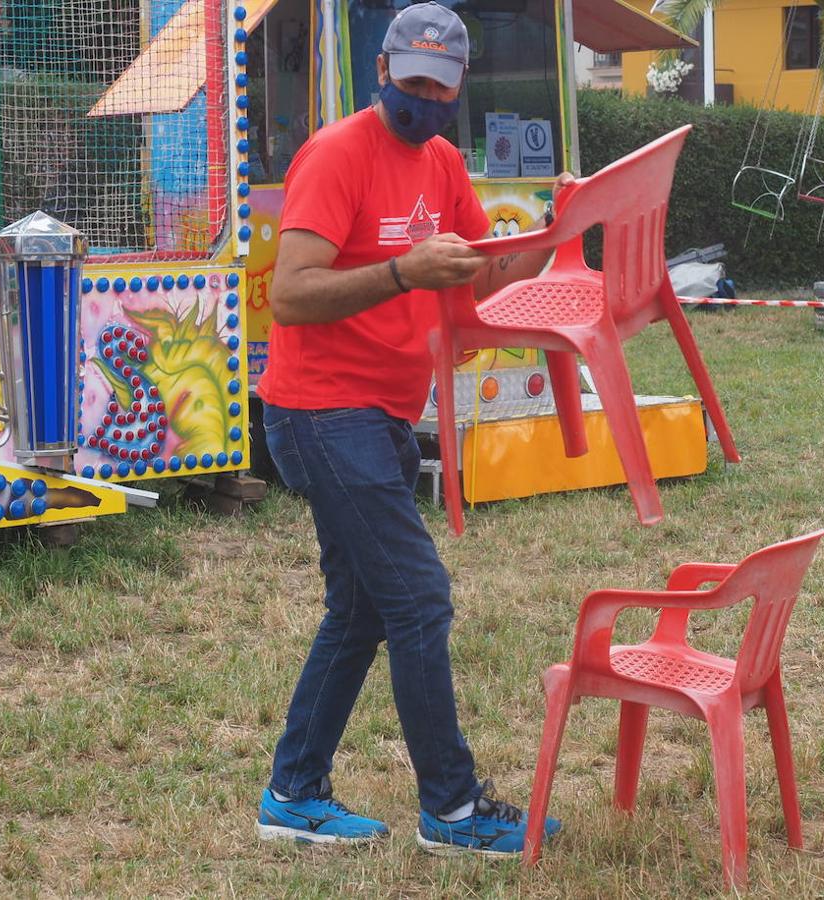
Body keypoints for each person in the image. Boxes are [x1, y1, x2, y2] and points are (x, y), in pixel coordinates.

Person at [254, 2, 566, 853]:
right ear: (382, 71)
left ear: (458, 88)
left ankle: (292, 793)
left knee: (360, 610)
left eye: (442, 86)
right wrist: (400, 271)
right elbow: (289, 292)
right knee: (418, 596)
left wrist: (553, 236)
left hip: (384, 410)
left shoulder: (443, 162)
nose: (425, 97)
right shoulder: (336, 154)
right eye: (412, 80)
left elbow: (479, 279)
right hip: (319, 409)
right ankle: (453, 812)